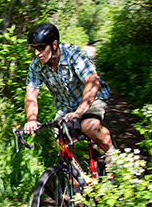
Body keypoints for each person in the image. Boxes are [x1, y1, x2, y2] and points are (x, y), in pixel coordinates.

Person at [23, 22, 115, 155]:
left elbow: (92, 82)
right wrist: (32, 119)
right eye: (34, 48)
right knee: (62, 147)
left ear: (54, 44)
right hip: (66, 107)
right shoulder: (36, 66)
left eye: (41, 47)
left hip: (92, 99)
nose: (37, 53)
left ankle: (112, 154)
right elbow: (31, 95)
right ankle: (76, 175)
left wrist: (79, 112)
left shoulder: (73, 53)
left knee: (89, 127)